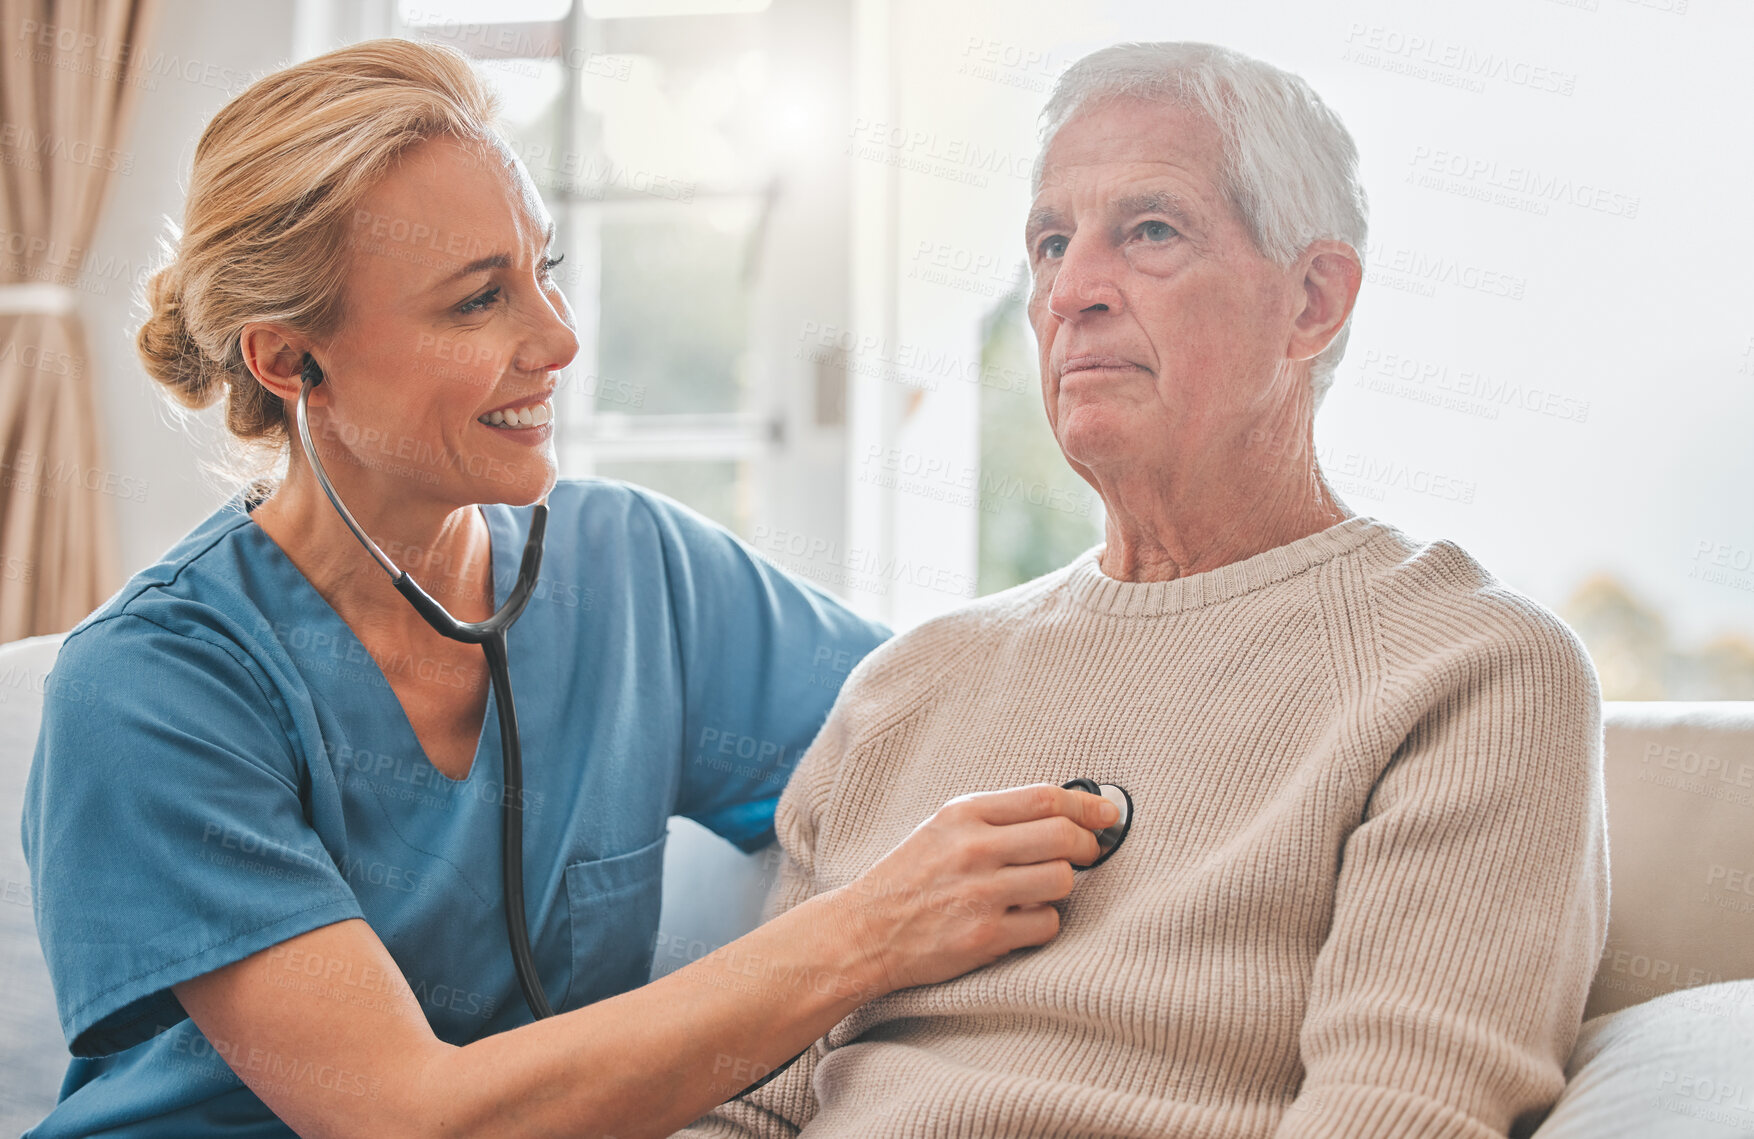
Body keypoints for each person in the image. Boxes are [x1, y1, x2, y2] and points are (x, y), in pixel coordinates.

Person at [18, 38, 1121, 1139]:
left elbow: (951, 722)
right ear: (289, 362)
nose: (557, 337)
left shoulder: (632, 570)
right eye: (476, 301)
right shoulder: (150, 690)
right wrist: (866, 933)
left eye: (540, 268)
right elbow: (410, 1116)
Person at [680, 41, 1608, 1139]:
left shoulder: (1472, 671)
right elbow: (743, 1110)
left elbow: (1399, 1111)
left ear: (1310, 301)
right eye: (1049, 243)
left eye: (1149, 231)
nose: (1070, 292)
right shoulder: (906, 687)